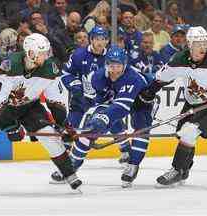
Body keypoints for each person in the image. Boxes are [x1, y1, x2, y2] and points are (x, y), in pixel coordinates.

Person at [0, 33, 82, 191]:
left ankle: (70, 174)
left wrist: (65, 126)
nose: (47, 56)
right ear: (31, 53)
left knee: (49, 135)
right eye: (43, 53)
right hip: (1, 107)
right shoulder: (10, 65)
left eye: (47, 52)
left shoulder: (50, 69)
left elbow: (55, 103)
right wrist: (10, 127)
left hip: (29, 107)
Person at [143, 26, 207, 186]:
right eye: (198, 43)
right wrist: (149, 92)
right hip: (192, 102)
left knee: (189, 132)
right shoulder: (178, 59)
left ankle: (176, 170)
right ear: (189, 45)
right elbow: (161, 77)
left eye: (205, 42)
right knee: (182, 134)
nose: (203, 47)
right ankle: (184, 170)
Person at [53, 45, 155, 188]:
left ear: (124, 65)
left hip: (142, 101)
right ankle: (70, 167)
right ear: (106, 64)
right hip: (115, 100)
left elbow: (121, 109)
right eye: (111, 65)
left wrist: (103, 119)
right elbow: (94, 102)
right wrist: (93, 121)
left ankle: (133, 165)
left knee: (141, 127)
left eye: (118, 66)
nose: (114, 70)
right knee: (90, 129)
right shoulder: (96, 77)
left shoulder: (132, 78)